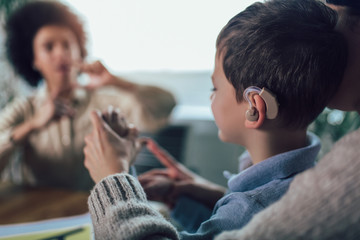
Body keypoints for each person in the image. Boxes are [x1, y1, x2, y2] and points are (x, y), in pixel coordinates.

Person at [83, 0, 348, 239]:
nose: (212, 98)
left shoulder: (250, 208)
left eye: (215, 88)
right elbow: (223, 232)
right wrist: (185, 197)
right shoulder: (307, 182)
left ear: (255, 107)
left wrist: (113, 176)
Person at [214, 0, 360, 239]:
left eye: (214, 88)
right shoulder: (312, 181)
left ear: (255, 107)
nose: (326, 35)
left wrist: (127, 173)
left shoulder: (351, 174)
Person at [0, 0, 176, 191]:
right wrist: (32, 124)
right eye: (49, 47)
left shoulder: (103, 102)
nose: (60, 54)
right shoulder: (25, 109)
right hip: (41, 212)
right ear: (34, 60)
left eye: (67, 45)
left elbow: (166, 105)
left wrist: (116, 82)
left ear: (80, 52)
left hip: (92, 213)